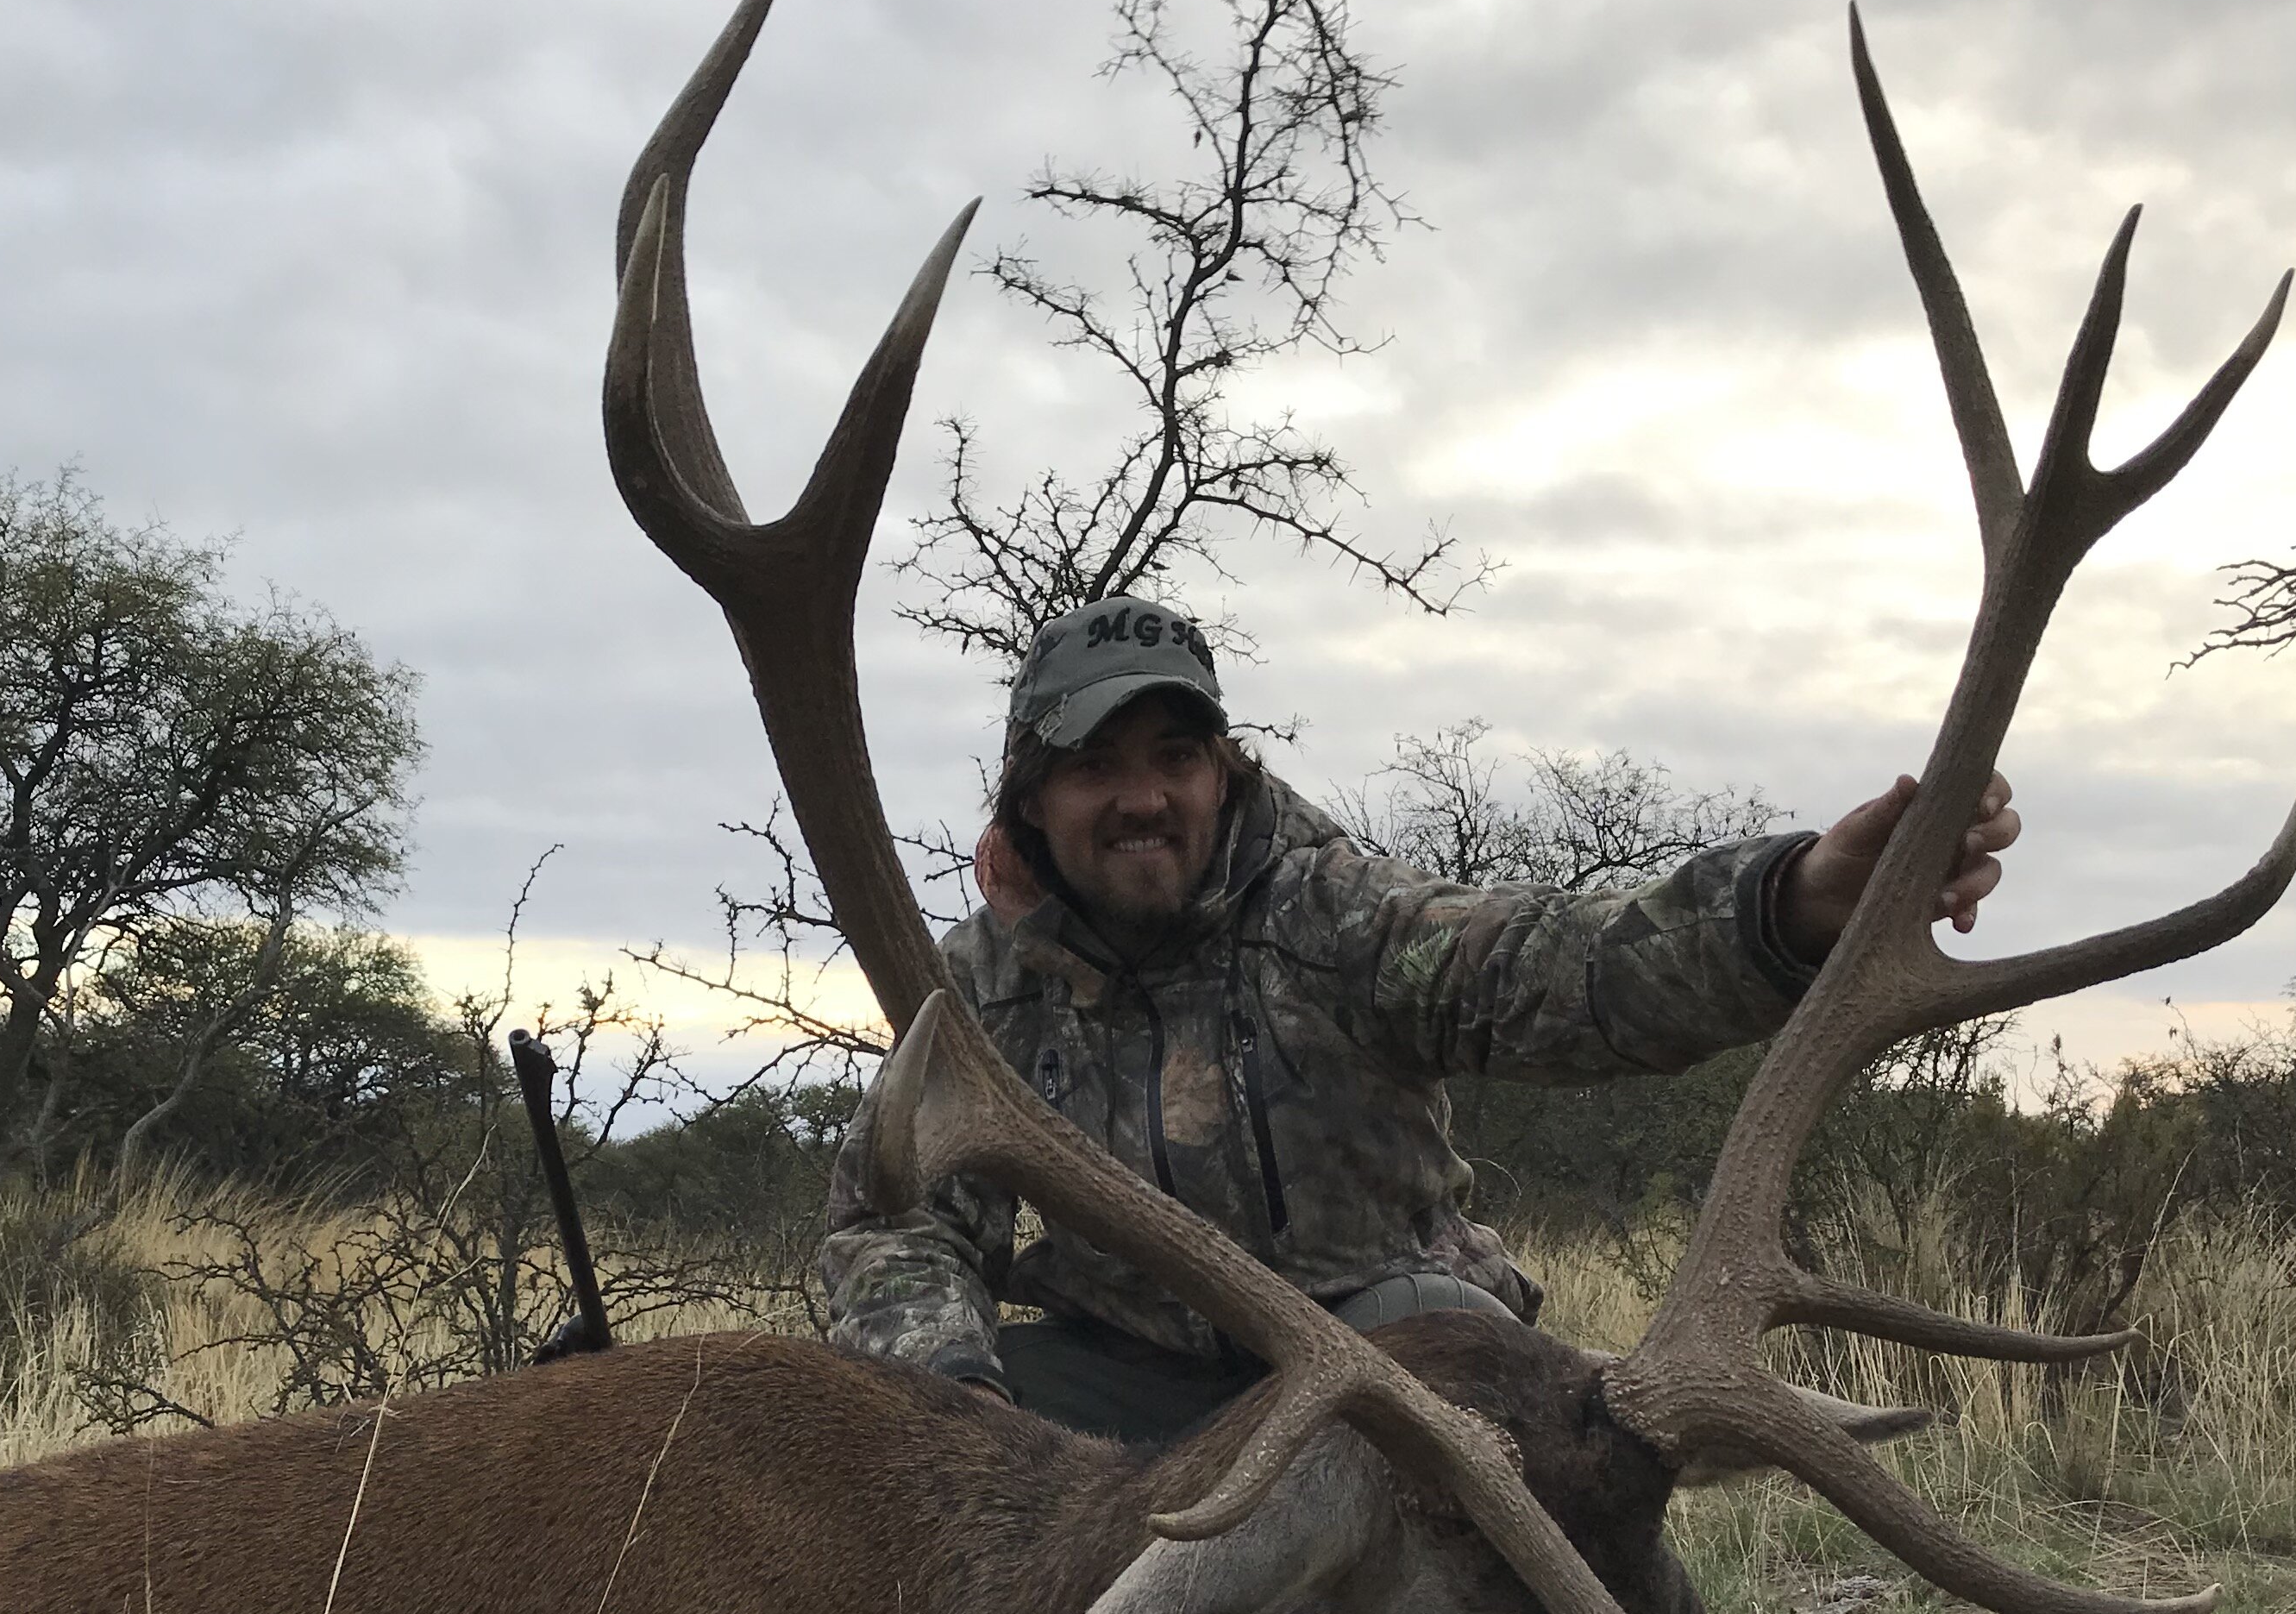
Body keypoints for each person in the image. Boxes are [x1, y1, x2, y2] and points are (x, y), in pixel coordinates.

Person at [819, 594, 2019, 1441]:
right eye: (1096, 767)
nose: (1144, 797)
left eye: (1175, 756)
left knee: (1474, 1418)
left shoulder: (1328, 915)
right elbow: (895, 1223)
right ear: (1034, 795)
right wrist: (950, 1399)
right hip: (1141, 1389)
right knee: (910, 1442)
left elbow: (1556, 973)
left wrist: (1793, 904)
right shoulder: (979, 992)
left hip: (1387, 1354)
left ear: (1222, 771)